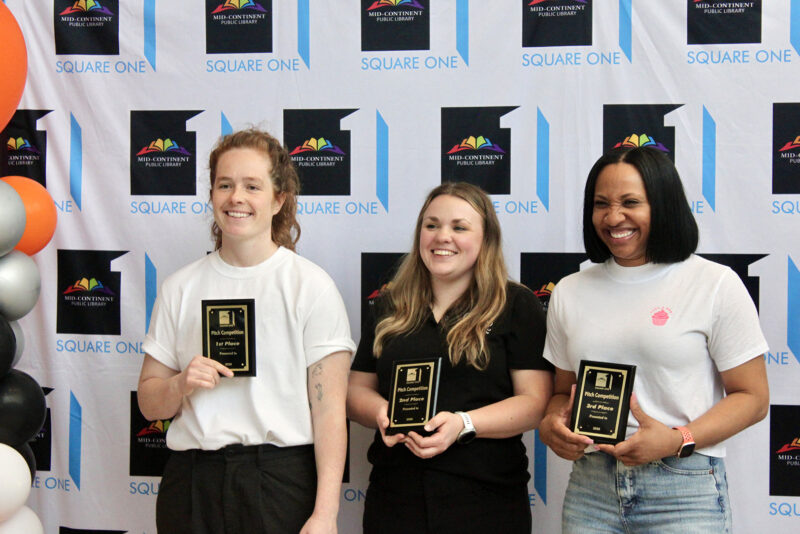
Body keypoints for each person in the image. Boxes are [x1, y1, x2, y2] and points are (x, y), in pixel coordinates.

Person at [539, 146, 769, 533]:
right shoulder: (569, 290)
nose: (613, 217)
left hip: (683, 486)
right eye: (601, 204)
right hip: (591, 488)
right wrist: (551, 425)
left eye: (630, 203)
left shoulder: (714, 284)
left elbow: (753, 397)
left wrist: (678, 439)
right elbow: (563, 392)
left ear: (663, 205)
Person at [137, 128, 355, 534]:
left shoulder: (311, 286)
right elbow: (150, 404)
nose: (236, 197)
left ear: (278, 199)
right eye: (225, 185)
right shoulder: (179, 287)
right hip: (192, 483)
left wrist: (326, 514)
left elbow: (329, 412)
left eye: (252, 186)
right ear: (212, 195)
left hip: (279, 483)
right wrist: (181, 383)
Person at [347, 182, 553, 534]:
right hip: (395, 499)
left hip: (487, 502)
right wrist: (382, 412)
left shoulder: (516, 304)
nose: (443, 236)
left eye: (459, 227)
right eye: (432, 225)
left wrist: (464, 423)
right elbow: (355, 391)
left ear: (486, 239)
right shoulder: (390, 306)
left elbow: (535, 403)